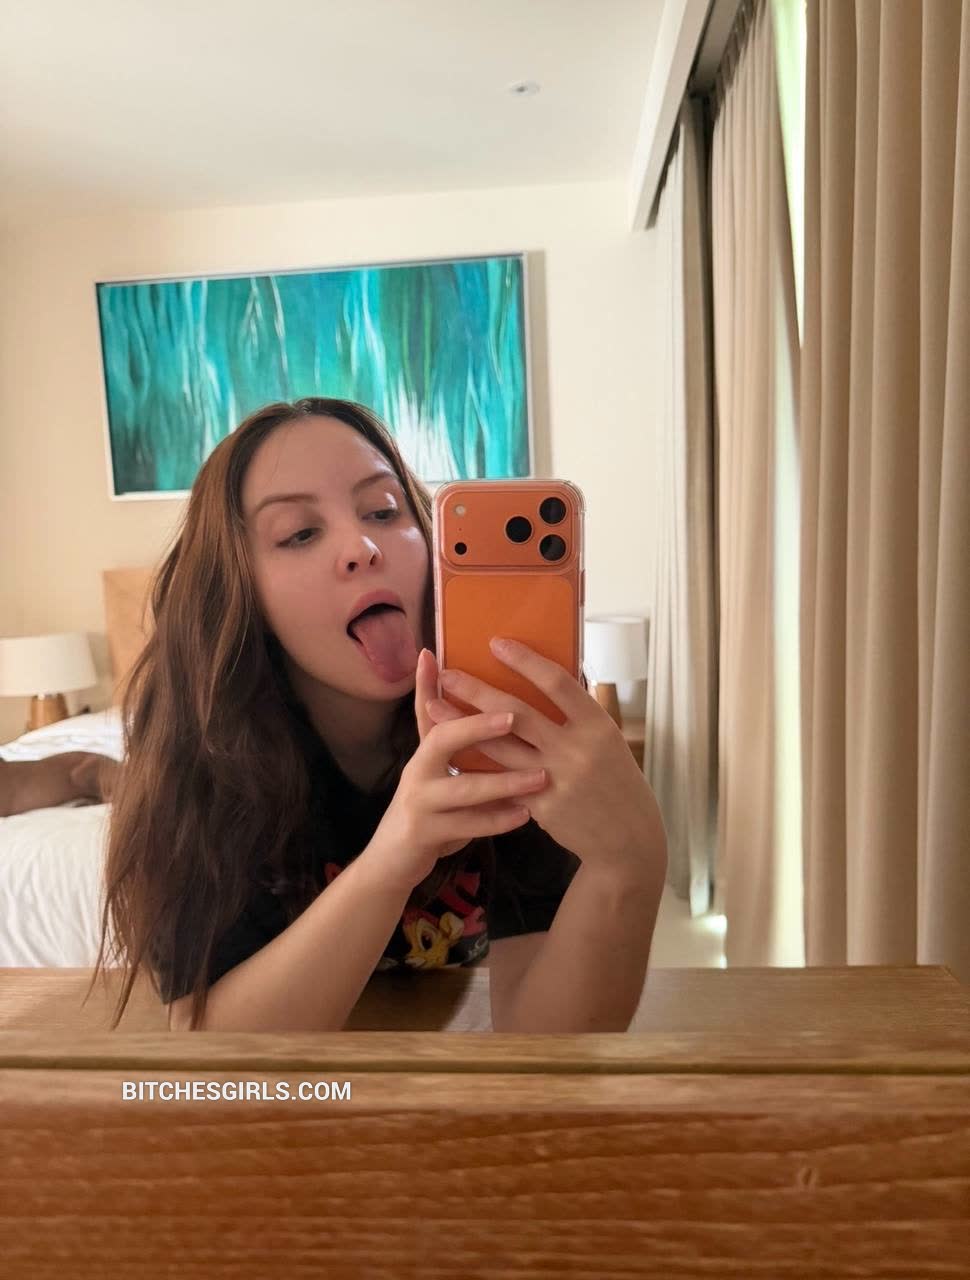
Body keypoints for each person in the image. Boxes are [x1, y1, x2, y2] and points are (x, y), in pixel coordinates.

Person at [92, 397, 668, 1032]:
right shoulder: (202, 759)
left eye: (384, 511)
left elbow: (546, 1044)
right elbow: (212, 1055)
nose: (361, 546)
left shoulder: (502, 734)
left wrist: (629, 863)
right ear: (240, 592)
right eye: (299, 533)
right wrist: (393, 860)